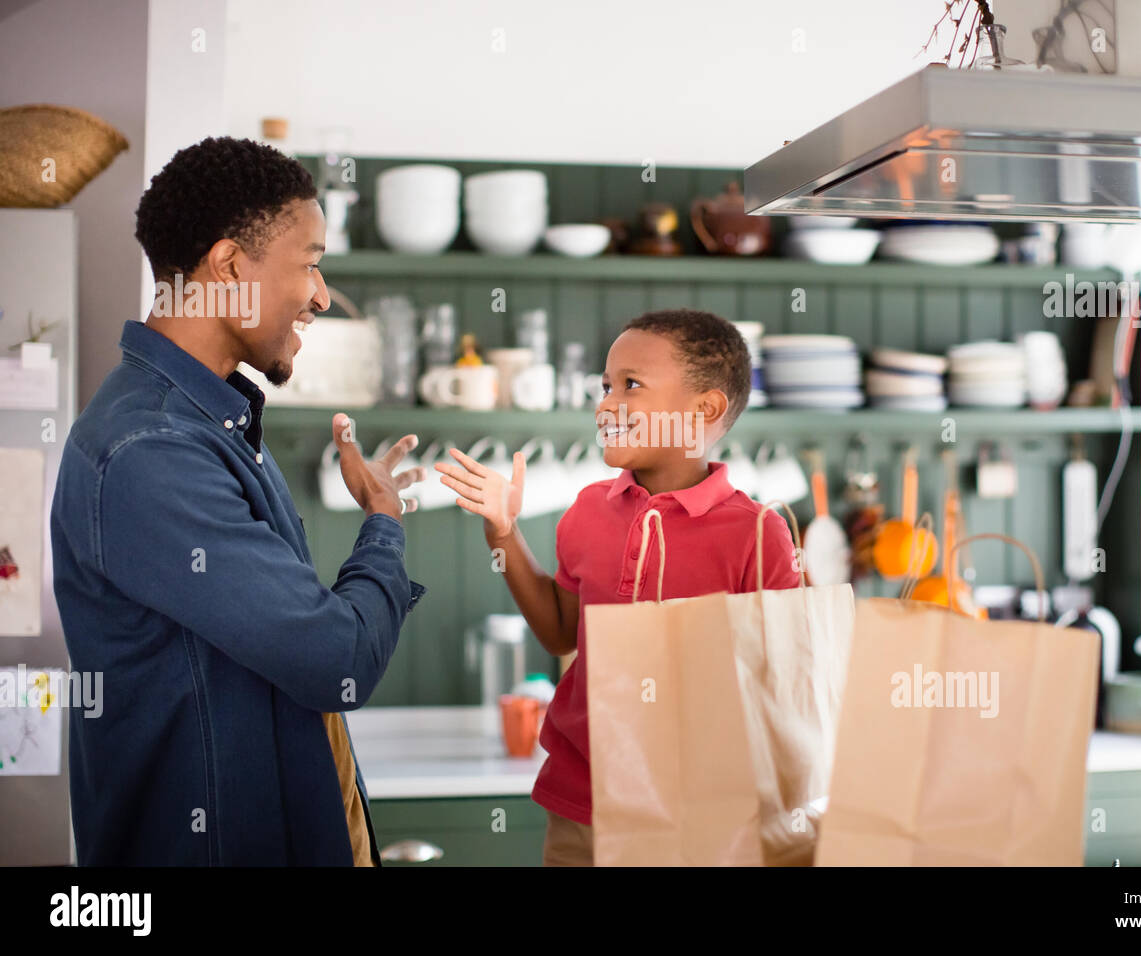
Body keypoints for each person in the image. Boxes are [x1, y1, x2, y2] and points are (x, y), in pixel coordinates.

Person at [50, 136, 426, 865]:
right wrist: (383, 524)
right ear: (229, 267)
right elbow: (336, 658)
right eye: (310, 263)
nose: (321, 295)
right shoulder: (152, 449)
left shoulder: (205, 423)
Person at [435, 308, 801, 866]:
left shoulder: (757, 533)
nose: (606, 404)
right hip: (583, 806)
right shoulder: (587, 511)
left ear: (704, 411)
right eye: (606, 386)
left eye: (631, 386)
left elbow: (785, 684)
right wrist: (503, 532)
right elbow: (560, 633)